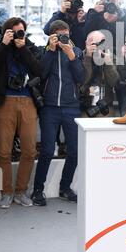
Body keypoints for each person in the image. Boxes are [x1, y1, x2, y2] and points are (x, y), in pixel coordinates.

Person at [31, 20, 85, 206]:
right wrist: (51, 51)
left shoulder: (76, 51)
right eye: (60, 34)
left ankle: (65, 187)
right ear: (52, 36)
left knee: (74, 152)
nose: (64, 37)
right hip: (50, 108)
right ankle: (38, 190)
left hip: (71, 107)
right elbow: (41, 74)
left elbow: (81, 77)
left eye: (66, 33)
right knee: (46, 151)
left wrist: (71, 56)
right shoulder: (46, 51)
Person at [0, 17, 41, 208]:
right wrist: (3, 44)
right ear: (7, 32)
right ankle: (6, 192)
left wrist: (23, 48)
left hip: (27, 101)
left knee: (30, 150)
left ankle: (21, 191)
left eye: (21, 31)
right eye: (13, 31)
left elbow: (39, 69)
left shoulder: (29, 47)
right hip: (5, 101)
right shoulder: (2, 47)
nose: (17, 35)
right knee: (3, 151)